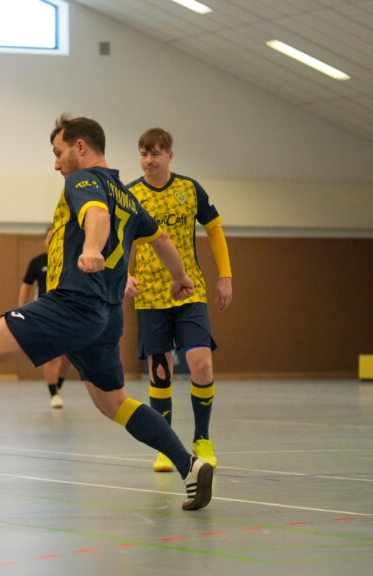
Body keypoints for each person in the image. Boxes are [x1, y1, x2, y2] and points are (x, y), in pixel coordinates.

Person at [0, 115, 215, 511]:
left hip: (72, 302)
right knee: (113, 403)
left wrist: (92, 248)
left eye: (58, 152)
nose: (56, 163)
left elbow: (95, 216)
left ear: (80, 147)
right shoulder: (128, 195)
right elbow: (163, 239)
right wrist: (181, 275)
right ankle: (189, 465)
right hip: (107, 315)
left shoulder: (83, 181)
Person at [125, 128, 232, 473]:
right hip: (150, 297)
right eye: (143, 153)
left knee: (201, 363)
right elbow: (117, 239)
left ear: (170, 155)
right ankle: (166, 445)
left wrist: (225, 276)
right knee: (160, 373)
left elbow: (214, 229)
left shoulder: (189, 189)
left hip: (190, 291)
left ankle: (202, 439)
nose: (148, 160)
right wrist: (122, 276)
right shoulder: (131, 194)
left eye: (155, 153)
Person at [18, 227, 72, 409]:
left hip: (68, 312)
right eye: (49, 237)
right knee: (51, 355)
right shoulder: (37, 262)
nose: (52, 240)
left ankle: (59, 385)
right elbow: (26, 286)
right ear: (45, 240)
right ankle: (53, 393)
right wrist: (21, 310)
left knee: (69, 354)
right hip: (45, 313)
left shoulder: (69, 260)